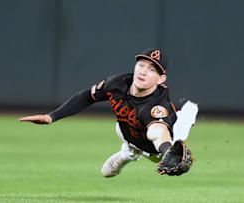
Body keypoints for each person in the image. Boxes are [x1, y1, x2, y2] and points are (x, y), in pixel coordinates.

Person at [19, 48, 198, 177]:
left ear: (161, 79)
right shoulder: (117, 84)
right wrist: (52, 116)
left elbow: (159, 132)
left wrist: (167, 151)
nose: (143, 72)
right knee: (107, 172)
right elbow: (87, 96)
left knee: (170, 122)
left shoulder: (157, 105)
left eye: (152, 70)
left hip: (154, 151)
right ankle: (127, 153)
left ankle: (177, 138)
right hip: (127, 132)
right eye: (141, 65)